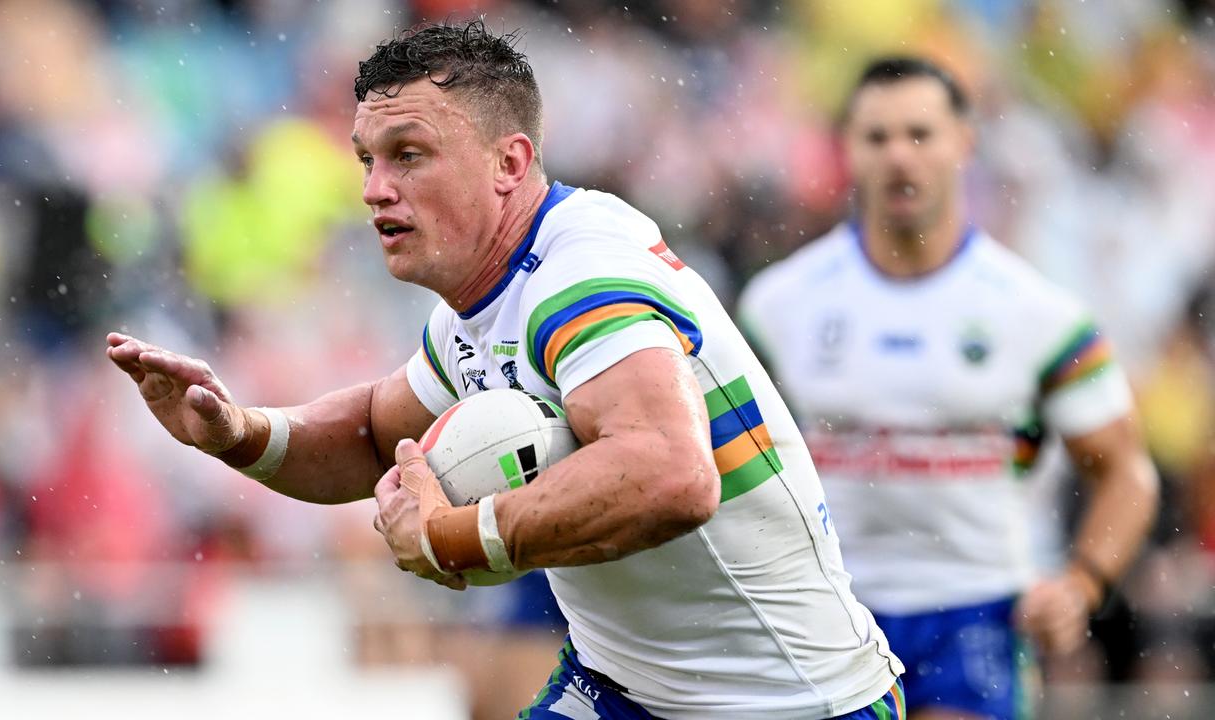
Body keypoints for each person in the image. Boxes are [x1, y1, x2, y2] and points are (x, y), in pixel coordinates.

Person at [107, 21, 904, 720]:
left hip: (790, 701)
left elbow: (673, 473)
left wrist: (454, 537)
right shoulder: (477, 304)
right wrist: (239, 432)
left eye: (408, 155)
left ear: (508, 162)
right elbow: (376, 436)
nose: (375, 189)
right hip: (627, 692)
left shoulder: (581, 276)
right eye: (367, 159)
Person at [738, 57, 1159, 720]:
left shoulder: (1037, 314)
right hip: (829, 610)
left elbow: (1127, 472)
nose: (899, 157)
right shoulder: (777, 306)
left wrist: (1081, 585)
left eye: (919, 134)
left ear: (965, 142)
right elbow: (718, 456)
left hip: (978, 612)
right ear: (847, 148)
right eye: (877, 138)